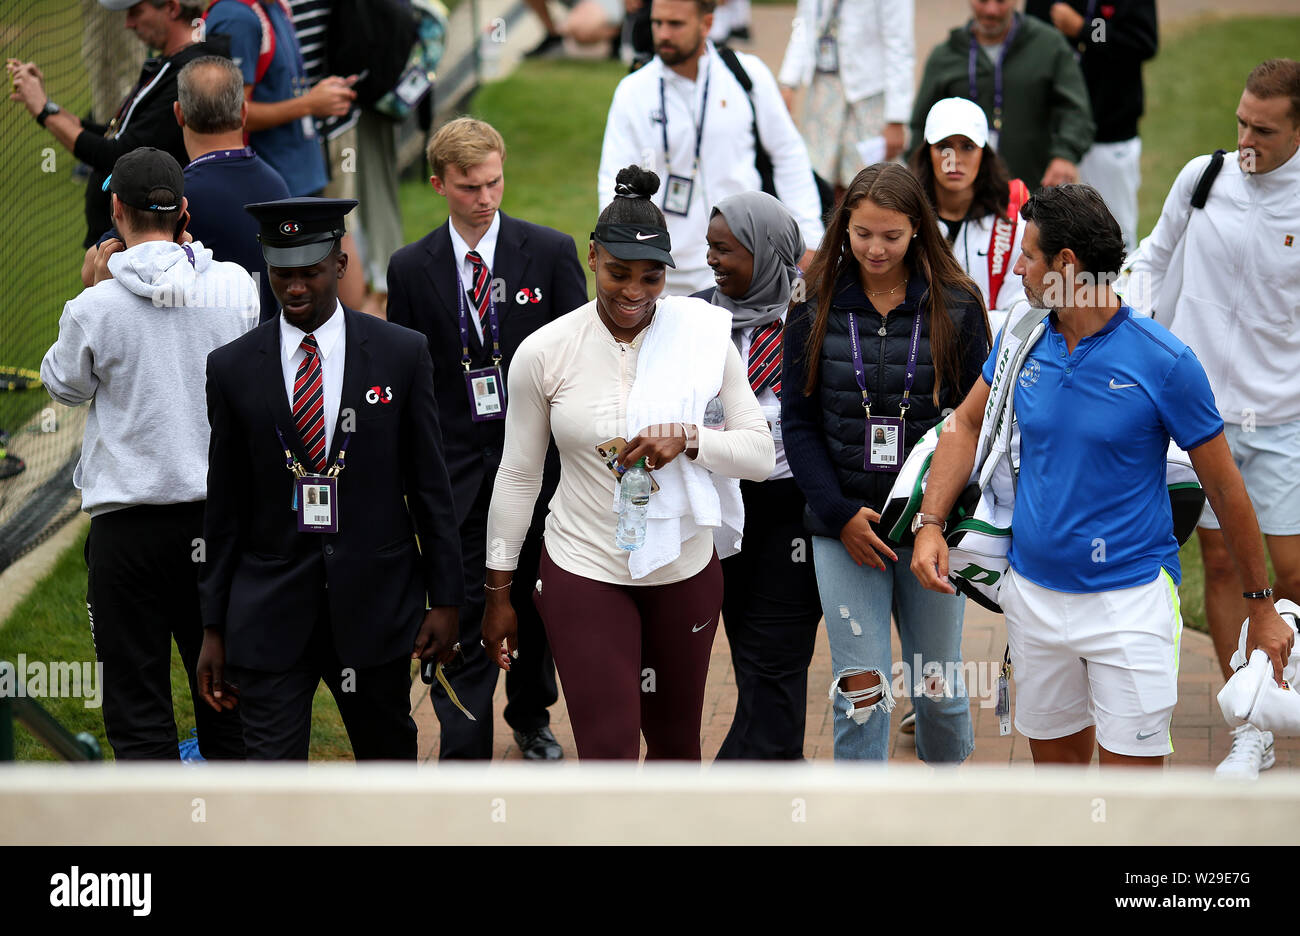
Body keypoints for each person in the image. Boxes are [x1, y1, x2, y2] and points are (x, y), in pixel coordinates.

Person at [912, 183, 1294, 769]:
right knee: (1060, 798)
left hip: (1131, 606)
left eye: (1029, 255)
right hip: (1033, 599)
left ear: (1066, 265)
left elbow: (1224, 488)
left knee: (1126, 810)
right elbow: (963, 424)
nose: (1018, 267)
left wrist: (1261, 606)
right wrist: (931, 522)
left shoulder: (1163, 362)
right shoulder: (1021, 336)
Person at [480, 166, 774, 761]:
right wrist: (498, 590)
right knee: (607, 751)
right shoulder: (545, 351)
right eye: (618, 272)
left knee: (674, 748)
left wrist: (692, 438)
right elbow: (519, 474)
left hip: (682, 567)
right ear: (592, 257)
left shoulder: (701, 339)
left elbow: (760, 455)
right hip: (584, 563)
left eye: (652, 276)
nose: (634, 292)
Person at [196, 197, 463, 760]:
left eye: (310, 273)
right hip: (268, 615)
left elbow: (430, 489)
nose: (295, 288)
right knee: (273, 784)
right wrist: (213, 626)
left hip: (376, 610)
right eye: (282, 274)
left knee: (387, 767)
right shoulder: (232, 368)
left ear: (340, 264)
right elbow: (224, 510)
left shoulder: (401, 354)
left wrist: (446, 599)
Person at [40, 147, 259, 760]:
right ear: (184, 212)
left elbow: (64, 385)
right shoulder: (237, 287)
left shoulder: (94, 305)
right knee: (227, 696)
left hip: (127, 536)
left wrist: (92, 288)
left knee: (137, 711)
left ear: (116, 211)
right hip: (216, 528)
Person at [386, 118, 587, 761]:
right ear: (440, 183)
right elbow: (409, 382)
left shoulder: (550, 254)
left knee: (531, 598)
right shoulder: (410, 269)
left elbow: (575, 369)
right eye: (470, 187)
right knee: (464, 602)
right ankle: (465, 739)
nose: (486, 198)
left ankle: (531, 715)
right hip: (455, 477)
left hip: (535, 470)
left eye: (495, 182)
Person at [1127, 58, 1300, 778]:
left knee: (1288, 575)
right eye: (1240, 123)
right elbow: (1154, 257)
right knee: (1224, 562)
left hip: (1286, 419)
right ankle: (1252, 724)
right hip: (1199, 419)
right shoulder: (1202, 179)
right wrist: (1124, 322)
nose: (1246, 141)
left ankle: (1279, 679)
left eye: (1263, 130)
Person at [781, 162, 988, 763]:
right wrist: (839, 513)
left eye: (891, 235)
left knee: (939, 690)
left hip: (932, 527)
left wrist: (936, 517)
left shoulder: (958, 305)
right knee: (862, 694)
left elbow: (971, 424)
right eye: (862, 233)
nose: (875, 248)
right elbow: (798, 421)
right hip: (846, 529)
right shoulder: (812, 303)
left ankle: (946, 816)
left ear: (918, 230)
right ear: (844, 228)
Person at [696, 191, 823, 760]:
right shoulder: (700, 319)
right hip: (721, 507)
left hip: (791, 509)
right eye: (709, 248)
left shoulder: (817, 318)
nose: (713, 260)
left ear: (769, 252)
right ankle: (779, 778)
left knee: (775, 660)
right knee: (752, 657)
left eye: (726, 250)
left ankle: (739, 790)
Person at [598, 0, 823, 294]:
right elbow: (613, 182)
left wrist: (808, 238)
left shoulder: (747, 75)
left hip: (748, 264)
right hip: (662, 269)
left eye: (675, 24)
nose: (663, 34)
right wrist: (620, 250)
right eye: (657, 23)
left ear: (707, 24)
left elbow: (788, 155)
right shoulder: (633, 92)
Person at [8, 0, 223, 247]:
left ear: (172, 9)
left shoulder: (187, 74)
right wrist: (48, 105)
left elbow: (117, 154)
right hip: (125, 242)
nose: (128, 23)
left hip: (134, 248)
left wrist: (44, 112)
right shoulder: (176, 62)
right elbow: (117, 133)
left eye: (136, 12)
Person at [909, 0, 1094, 190]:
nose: (991, 10)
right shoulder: (945, 55)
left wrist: (1064, 155)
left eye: (1001, 1)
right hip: (962, 196)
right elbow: (920, 127)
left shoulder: (1049, 46)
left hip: (1032, 191)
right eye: (982, 1)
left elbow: (1076, 110)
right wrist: (919, 179)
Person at [1027, 0, 1157, 253]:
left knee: (1114, 234)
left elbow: (1142, 42)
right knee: (1044, 236)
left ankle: (1119, 293)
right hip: (1051, 137)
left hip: (1109, 134)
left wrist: (1084, 29)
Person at [174, 56, 291, 322]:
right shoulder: (278, 186)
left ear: (179, 113)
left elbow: (94, 270)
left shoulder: (178, 197)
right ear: (244, 112)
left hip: (206, 357)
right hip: (269, 353)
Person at [202, 0, 356, 197]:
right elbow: (230, 114)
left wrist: (321, 95)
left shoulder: (274, 5)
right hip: (277, 187)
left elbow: (283, 87)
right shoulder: (236, 18)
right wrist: (309, 104)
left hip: (302, 176)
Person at [911, 97, 1027, 336]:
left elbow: (1022, 310)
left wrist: (962, 330)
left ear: (984, 154)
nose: (955, 159)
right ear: (927, 153)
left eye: (967, 146)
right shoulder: (905, 214)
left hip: (990, 358)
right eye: (944, 146)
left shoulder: (1014, 218)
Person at [777, 0, 914, 195]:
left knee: (867, 184)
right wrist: (788, 82)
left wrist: (896, 118)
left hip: (868, 92)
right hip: (824, 88)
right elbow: (802, 24)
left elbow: (900, 45)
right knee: (818, 177)